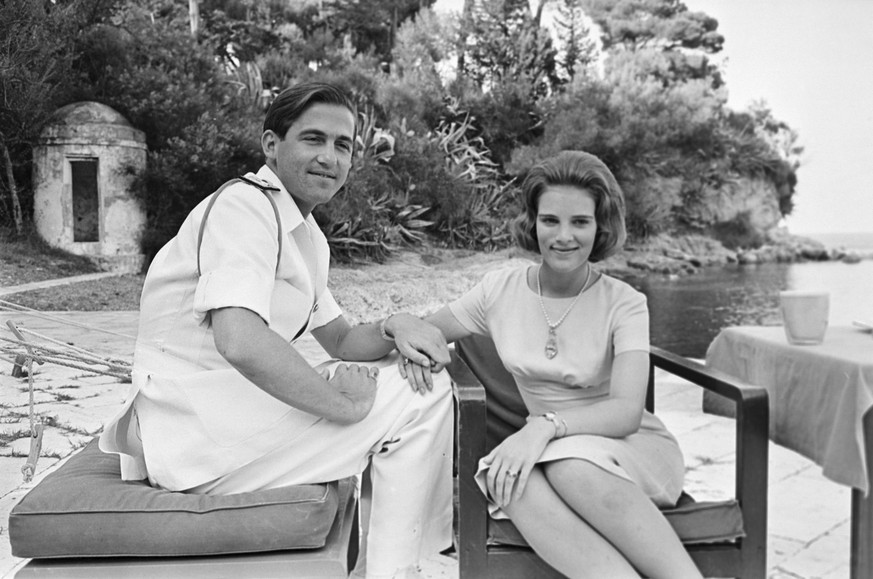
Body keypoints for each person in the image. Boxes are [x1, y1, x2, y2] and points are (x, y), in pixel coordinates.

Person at [99, 82, 454, 579]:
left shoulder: (306, 234)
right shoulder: (245, 208)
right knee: (425, 393)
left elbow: (343, 340)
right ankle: (396, 568)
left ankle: (388, 561)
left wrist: (394, 325)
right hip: (195, 437)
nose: (329, 157)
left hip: (227, 418)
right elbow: (240, 340)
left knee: (402, 369)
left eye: (343, 145)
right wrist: (345, 406)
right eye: (313, 139)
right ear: (272, 144)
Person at [402, 151, 702, 578]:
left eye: (580, 222)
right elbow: (426, 331)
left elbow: (626, 412)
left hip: (629, 450)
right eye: (550, 221)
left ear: (600, 227)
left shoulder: (626, 303)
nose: (564, 236)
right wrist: (397, 324)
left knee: (566, 464)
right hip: (552, 452)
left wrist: (543, 426)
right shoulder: (499, 289)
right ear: (533, 222)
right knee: (507, 478)